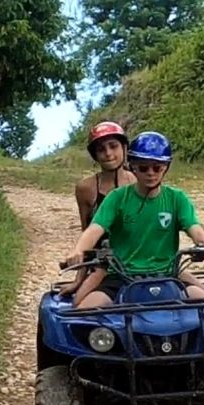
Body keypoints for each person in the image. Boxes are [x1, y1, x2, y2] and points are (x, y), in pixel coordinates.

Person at [61, 131, 204, 310]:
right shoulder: (117, 198)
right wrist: (78, 250)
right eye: (144, 168)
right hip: (121, 276)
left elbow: (196, 230)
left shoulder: (177, 198)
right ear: (133, 167)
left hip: (167, 274)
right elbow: (94, 229)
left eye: (157, 167)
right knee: (82, 313)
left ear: (166, 167)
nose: (151, 173)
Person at [59, 121, 135, 301]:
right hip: (103, 266)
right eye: (101, 149)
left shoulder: (139, 181)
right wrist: (79, 278)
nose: (108, 153)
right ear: (95, 155)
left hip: (139, 261)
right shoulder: (86, 188)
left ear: (124, 148)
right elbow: (87, 232)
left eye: (113, 146)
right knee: (80, 305)